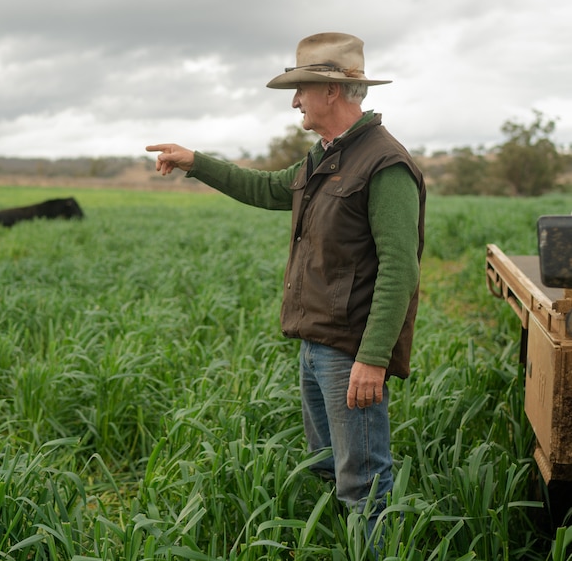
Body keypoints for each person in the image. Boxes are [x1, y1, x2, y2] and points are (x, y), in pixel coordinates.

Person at [147, 32, 426, 542]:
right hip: (315, 343)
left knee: (363, 483)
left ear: (331, 93)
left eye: (301, 89)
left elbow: (399, 271)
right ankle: (336, 547)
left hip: (351, 351)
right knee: (326, 467)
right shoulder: (324, 157)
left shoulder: (384, 164)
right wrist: (196, 161)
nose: (295, 100)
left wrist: (373, 358)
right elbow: (266, 187)